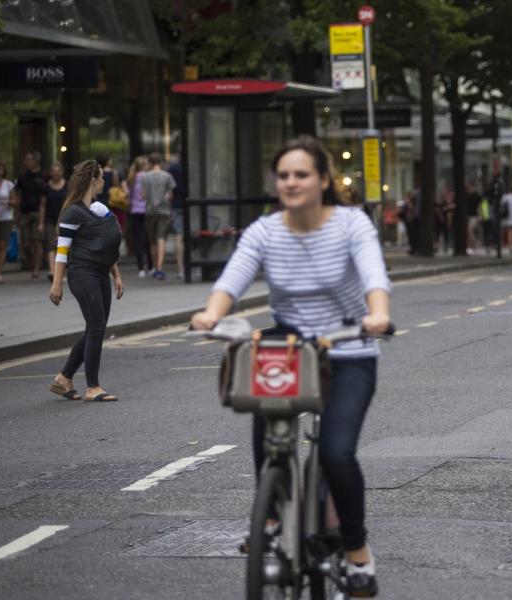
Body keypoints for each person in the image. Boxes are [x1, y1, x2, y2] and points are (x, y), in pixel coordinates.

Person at [190, 136, 390, 596]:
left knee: (338, 453)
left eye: (301, 174)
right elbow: (233, 278)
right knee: (268, 424)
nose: (291, 183)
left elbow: (374, 275)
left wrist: (376, 313)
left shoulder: (350, 224)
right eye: (283, 175)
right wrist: (212, 313)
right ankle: (275, 512)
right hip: (293, 347)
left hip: (348, 347)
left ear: (322, 180)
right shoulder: (265, 231)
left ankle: (358, 552)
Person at [48, 159, 125, 402]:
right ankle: (93, 387)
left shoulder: (98, 208)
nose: (104, 181)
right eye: (101, 177)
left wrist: (116, 273)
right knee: (96, 327)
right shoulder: (73, 212)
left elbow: (102, 245)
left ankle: (63, 379)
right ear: (93, 181)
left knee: (95, 328)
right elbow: (62, 251)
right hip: (82, 274)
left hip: (100, 272)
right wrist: (57, 283)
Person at [139, 153, 176, 280]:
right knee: (161, 238)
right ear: (160, 163)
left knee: (152, 241)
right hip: (164, 211)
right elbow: (170, 195)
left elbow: (143, 195)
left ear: (150, 163)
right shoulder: (167, 176)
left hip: (150, 211)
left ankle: (155, 267)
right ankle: (160, 267)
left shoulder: (145, 177)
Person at [14, 151, 48, 280]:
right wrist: (16, 213)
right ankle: (35, 261)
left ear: (35, 161)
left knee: (37, 241)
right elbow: (18, 195)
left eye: (28, 160)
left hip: (38, 212)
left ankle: (36, 268)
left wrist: (42, 217)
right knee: (26, 243)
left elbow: (45, 197)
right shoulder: (23, 176)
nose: (26, 162)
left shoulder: (44, 176)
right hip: (24, 213)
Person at [124, 156, 150, 277]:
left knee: (138, 240)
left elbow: (129, 195)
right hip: (146, 209)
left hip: (135, 210)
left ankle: (141, 268)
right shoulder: (147, 176)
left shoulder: (131, 177)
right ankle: (150, 265)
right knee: (148, 238)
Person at [43, 162, 68, 273]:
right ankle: (52, 270)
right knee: (50, 243)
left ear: (62, 173)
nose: (56, 174)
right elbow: (42, 205)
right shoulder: (46, 186)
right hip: (50, 218)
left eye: (58, 171)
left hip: (64, 218)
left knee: (62, 244)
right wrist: (40, 222)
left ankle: (60, 271)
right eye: (53, 171)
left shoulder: (67, 185)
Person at [165, 159, 186, 279]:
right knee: (192, 234)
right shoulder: (193, 164)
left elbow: (169, 189)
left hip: (176, 205)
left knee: (179, 236)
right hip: (192, 205)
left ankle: (181, 268)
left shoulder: (173, 168)